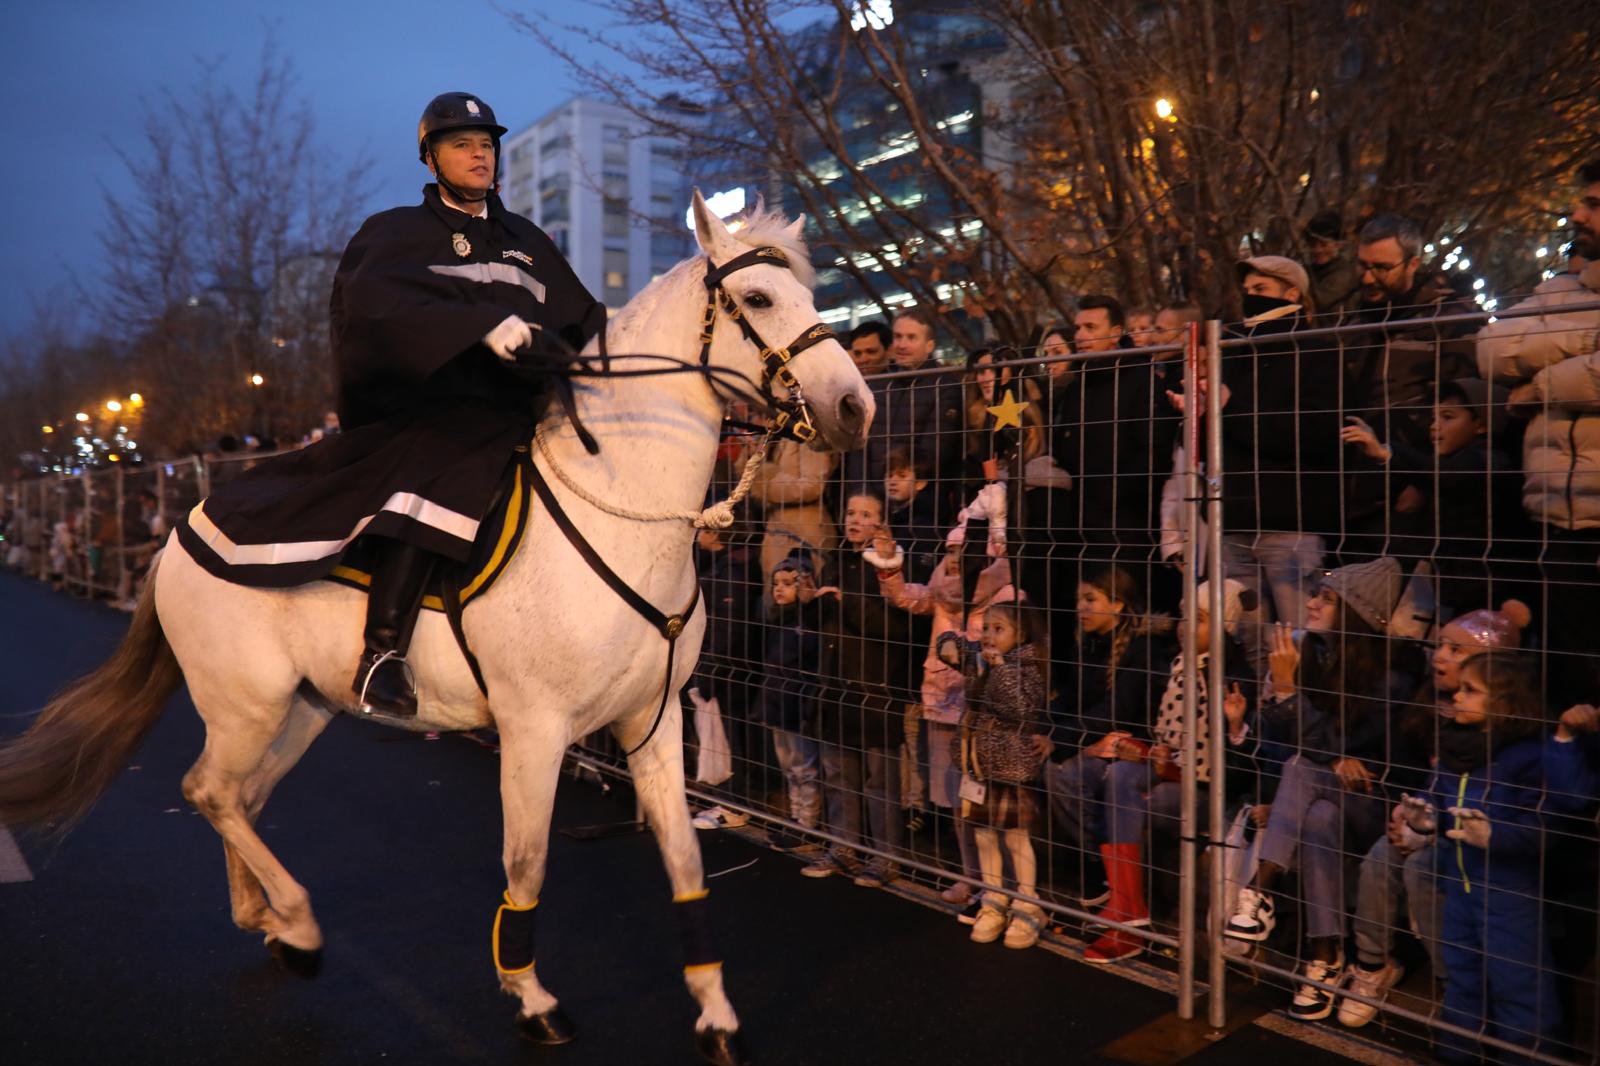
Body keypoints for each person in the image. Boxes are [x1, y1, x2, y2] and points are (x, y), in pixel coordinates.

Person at [174, 92, 603, 720]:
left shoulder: (529, 241)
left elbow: (585, 319)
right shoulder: (395, 232)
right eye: (462, 144)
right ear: (431, 159)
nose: (479, 154)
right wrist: (479, 328)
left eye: (486, 143)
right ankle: (382, 654)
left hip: (525, 414)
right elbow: (374, 312)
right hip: (437, 414)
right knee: (441, 470)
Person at [1226, 557, 1423, 1021]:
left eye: (1325, 597)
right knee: (1316, 817)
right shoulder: (1314, 656)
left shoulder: (1392, 675)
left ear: (1357, 613)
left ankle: (1258, 891)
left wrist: (1294, 698)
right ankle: (1326, 956)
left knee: (1305, 766)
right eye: (1313, 593)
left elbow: (1335, 747)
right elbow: (1290, 746)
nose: (1311, 602)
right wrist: (1264, 707)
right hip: (1323, 802)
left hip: (1378, 806)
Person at [1338, 601, 1530, 1030]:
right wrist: (1408, 817)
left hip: (1475, 845)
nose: (1439, 656)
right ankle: (1371, 966)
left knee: (1423, 868)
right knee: (1379, 860)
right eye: (1440, 645)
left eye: (1456, 650)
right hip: (1431, 825)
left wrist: (1432, 832)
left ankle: (1453, 986)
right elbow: (1426, 782)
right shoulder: (1425, 706)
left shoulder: (1510, 739)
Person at [1477, 159, 1600, 708]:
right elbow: (1491, 348)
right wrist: (1588, 337)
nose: (1577, 214)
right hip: (1556, 518)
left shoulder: (1560, 306)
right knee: (1571, 687)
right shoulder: (1562, 290)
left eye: (1593, 204)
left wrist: (1539, 386)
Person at [1089, 579, 1258, 963]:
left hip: (1210, 788)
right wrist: (1150, 748)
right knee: (1114, 775)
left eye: (1196, 619)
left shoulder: (1236, 678)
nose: (1184, 626)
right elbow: (1163, 730)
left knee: (1146, 797)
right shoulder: (1175, 664)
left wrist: (1234, 727)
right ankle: (1127, 905)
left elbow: (1243, 767)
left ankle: (1127, 909)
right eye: (1183, 617)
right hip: (1170, 769)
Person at [872, 521, 1019, 915]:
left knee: (987, 805)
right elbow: (905, 596)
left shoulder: (1006, 595)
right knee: (958, 801)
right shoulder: (941, 590)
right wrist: (889, 562)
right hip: (942, 704)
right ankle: (972, 877)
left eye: (962, 554)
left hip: (984, 713)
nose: (954, 562)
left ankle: (1001, 887)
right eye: (950, 553)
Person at [1204, 258, 1341, 671]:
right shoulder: (1231, 350)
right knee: (1243, 642)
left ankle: (1299, 723)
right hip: (1235, 519)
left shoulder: (1316, 351)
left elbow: (1315, 435)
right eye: (1247, 289)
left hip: (1290, 523)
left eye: (1261, 289)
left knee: (1298, 641)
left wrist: (1232, 409)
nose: (1250, 298)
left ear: (1292, 294)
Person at [1044, 564, 1175, 908]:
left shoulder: (1142, 648)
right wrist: (1045, 730)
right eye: (1079, 600)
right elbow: (1072, 699)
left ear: (1117, 604)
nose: (1081, 608)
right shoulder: (1086, 644)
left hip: (1138, 748)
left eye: (1091, 599)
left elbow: (1118, 710)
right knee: (1047, 764)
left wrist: (1061, 740)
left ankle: (1102, 864)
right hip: (1098, 740)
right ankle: (1095, 859)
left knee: (1069, 772)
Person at [1340, 378, 1526, 616]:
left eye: (1448, 417)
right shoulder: (1449, 465)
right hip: (1459, 588)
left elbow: (1449, 477)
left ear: (1481, 425)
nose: (1434, 426)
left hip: (1490, 593)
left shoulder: (1490, 461)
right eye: (1433, 417)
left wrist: (1386, 453)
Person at [806, 489, 911, 884]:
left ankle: (885, 858)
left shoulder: (891, 564)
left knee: (879, 779)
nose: (854, 520)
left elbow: (894, 628)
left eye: (866, 514)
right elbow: (827, 623)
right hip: (836, 684)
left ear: (882, 523)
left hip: (876, 686)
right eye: (851, 512)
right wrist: (811, 602)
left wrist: (845, 603)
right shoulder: (837, 560)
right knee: (838, 773)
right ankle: (843, 847)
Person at [936, 603, 1049, 948]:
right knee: (984, 834)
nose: (988, 635)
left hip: (1010, 767)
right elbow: (948, 647)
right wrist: (949, 643)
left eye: (998, 629)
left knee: (1016, 837)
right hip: (979, 765)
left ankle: (1028, 903)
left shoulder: (1026, 667)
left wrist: (999, 669)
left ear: (1021, 635)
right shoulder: (982, 658)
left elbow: (1019, 709)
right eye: (986, 627)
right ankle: (994, 899)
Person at [757, 554, 826, 850]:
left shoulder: (811, 621)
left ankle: (808, 824)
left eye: (788, 583)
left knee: (803, 766)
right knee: (787, 765)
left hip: (798, 704)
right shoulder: (777, 619)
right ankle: (795, 816)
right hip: (776, 702)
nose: (779, 589)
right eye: (776, 584)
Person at [1301, 210, 1361, 319]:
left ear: (1338, 244)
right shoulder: (1309, 269)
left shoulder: (1345, 273)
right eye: (1313, 244)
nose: (1317, 250)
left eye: (1324, 244)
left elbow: (1318, 301)